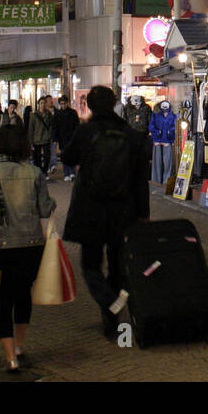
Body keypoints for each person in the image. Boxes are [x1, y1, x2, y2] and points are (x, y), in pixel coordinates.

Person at [61, 85, 151, 337]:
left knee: (90, 264)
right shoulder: (131, 134)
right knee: (117, 264)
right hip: (123, 209)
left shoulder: (86, 131)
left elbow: (67, 157)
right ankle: (112, 316)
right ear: (114, 104)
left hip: (91, 209)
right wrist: (143, 213)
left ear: (89, 105)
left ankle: (110, 304)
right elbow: (140, 179)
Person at [0, 123, 55, 373]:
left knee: (1, 300)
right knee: (23, 294)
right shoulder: (34, 173)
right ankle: (20, 345)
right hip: (31, 244)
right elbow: (45, 209)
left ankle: (10, 356)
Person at [52, 95, 79, 181]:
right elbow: (55, 127)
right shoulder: (58, 114)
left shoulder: (73, 113)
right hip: (62, 138)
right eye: (61, 104)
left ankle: (72, 172)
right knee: (64, 156)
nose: (63, 105)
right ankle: (66, 173)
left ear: (67, 103)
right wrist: (55, 139)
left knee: (71, 155)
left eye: (64, 103)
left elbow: (77, 125)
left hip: (71, 137)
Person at [29, 95, 54, 174]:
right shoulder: (33, 115)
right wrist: (30, 141)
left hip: (46, 138)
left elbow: (51, 126)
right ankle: (40, 172)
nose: (43, 105)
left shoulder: (49, 115)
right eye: (41, 103)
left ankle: (44, 171)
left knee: (47, 156)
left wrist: (50, 135)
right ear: (38, 104)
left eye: (44, 103)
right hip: (36, 139)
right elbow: (31, 129)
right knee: (37, 158)